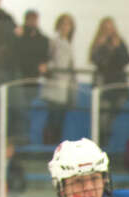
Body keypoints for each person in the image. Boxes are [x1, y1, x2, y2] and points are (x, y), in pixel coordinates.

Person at [89, 17, 129, 150]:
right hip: (104, 85)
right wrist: (101, 47)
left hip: (118, 86)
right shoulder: (98, 43)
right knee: (103, 115)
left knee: (112, 113)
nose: (108, 30)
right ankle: (101, 142)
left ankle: (105, 139)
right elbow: (97, 61)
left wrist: (117, 47)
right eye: (106, 28)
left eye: (110, 27)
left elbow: (127, 59)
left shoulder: (120, 42)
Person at [11, 9, 48, 143]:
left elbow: (44, 56)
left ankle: (24, 137)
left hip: (33, 79)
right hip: (20, 78)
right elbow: (16, 54)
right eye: (30, 19)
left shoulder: (42, 39)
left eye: (34, 19)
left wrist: (43, 66)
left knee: (27, 108)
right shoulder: (19, 36)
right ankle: (20, 137)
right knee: (20, 109)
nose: (33, 22)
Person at [40, 12, 75, 146]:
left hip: (65, 85)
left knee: (60, 117)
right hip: (54, 83)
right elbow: (48, 60)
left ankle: (56, 143)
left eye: (68, 24)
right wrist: (51, 67)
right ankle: (48, 144)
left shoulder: (69, 44)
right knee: (53, 116)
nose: (66, 27)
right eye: (64, 24)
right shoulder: (54, 42)